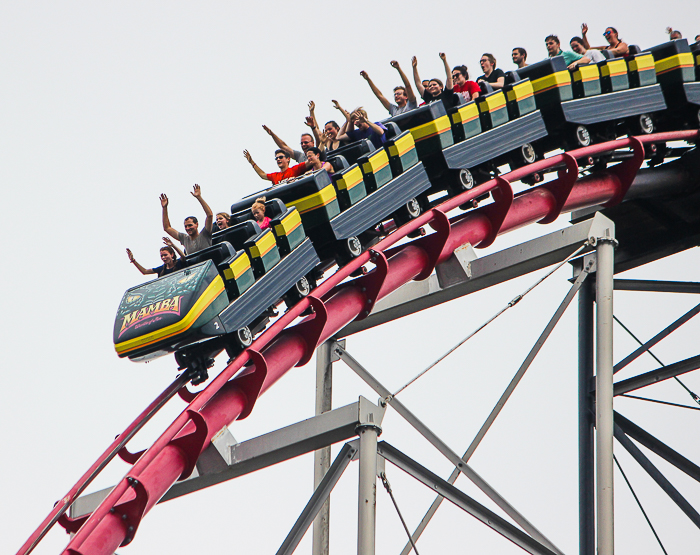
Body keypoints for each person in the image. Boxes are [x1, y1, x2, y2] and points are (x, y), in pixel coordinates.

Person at [161, 184, 214, 255]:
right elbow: (167, 228)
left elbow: (210, 215)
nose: (187, 228)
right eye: (186, 226)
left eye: (190, 225)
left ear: (196, 224)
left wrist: (199, 197)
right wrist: (164, 208)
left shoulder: (205, 234)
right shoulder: (185, 239)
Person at [243, 149, 310, 185]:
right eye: (276, 158)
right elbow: (262, 175)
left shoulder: (295, 169)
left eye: (280, 157)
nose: (278, 159)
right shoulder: (275, 176)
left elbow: (310, 161)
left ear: (288, 159)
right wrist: (251, 162)